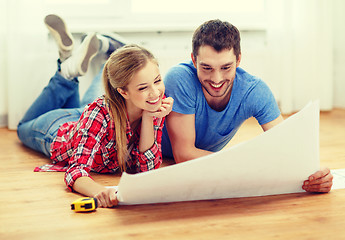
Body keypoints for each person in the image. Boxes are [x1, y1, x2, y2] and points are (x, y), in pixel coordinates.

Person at [17, 14, 173, 208]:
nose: (155, 92)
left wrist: (150, 117)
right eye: (143, 87)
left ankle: (71, 61)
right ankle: (66, 73)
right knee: (22, 127)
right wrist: (101, 191)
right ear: (123, 91)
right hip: (57, 131)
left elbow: (147, 169)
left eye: (157, 81)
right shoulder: (99, 112)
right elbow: (76, 171)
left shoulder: (153, 104)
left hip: (91, 120)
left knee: (90, 108)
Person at [161, 19, 333, 193]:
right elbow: (183, 154)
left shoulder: (254, 91)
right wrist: (246, 167)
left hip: (199, 166)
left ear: (239, 59)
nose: (217, 79)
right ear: (193, 59)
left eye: (226, 67)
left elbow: (285, 145)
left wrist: (316, 174)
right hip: (150, 160)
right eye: (206, 68)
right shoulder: (179, 78)